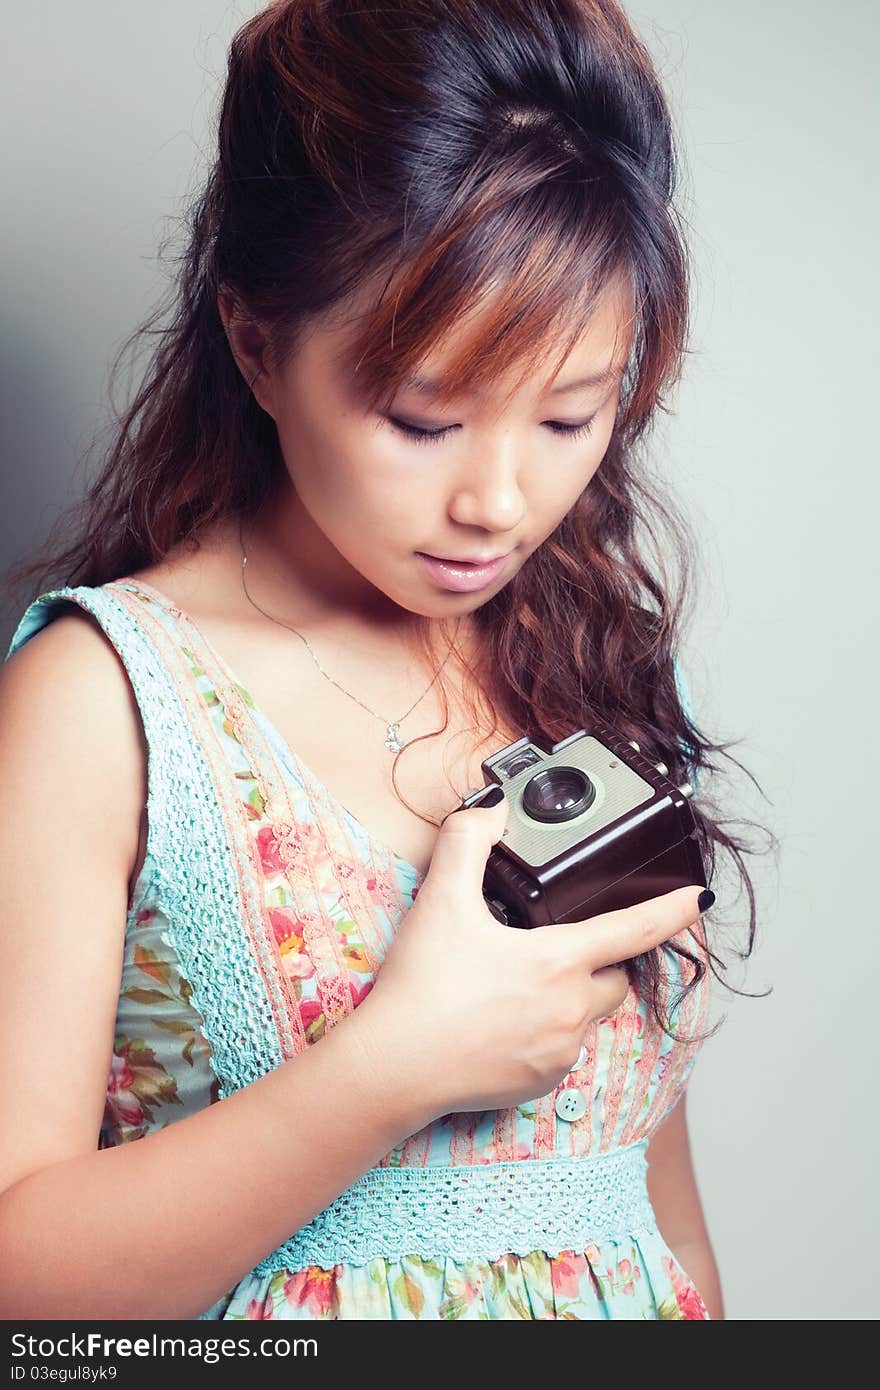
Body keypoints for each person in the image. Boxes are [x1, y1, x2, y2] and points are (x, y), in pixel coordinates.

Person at [0, 0, 763, 1321]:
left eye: (573, 413)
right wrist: (392, 1064)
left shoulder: (593, 663)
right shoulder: (105, 702)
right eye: (424, 416)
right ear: (257, 345)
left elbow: (651, 1205)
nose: (502, 500)